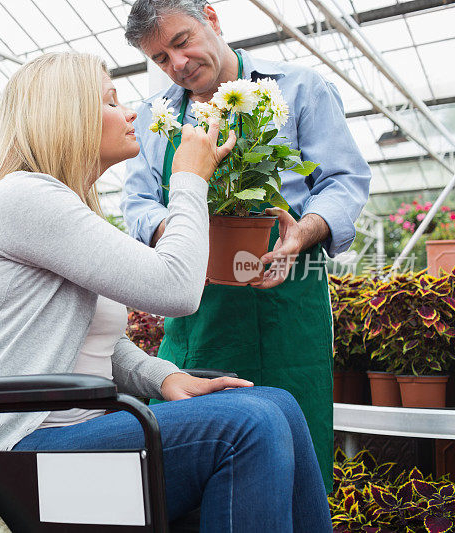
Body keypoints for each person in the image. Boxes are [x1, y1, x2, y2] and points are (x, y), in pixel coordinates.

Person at [0, 51, 332, 531]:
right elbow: (177, 290)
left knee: (279, 405)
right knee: (250, 425)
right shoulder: (25, 198)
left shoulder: (60, 206)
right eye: (110, 101)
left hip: (65, 435)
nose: (133, 114)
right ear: (66, 115)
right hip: (9, 452)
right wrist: (188, 179)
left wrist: (163, 377)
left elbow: (91, 343)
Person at [121, 0, 371, 492]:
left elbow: (344, 181)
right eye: (159, 58)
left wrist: (305, 229)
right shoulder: (156, 117)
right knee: (191, 463)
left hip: (288, 304)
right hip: (197, 312)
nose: (177, 64)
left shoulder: (298, 88)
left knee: (294, 459)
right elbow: (137, 203)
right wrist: (180, 231)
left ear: (211, 19)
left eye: (181, 41)